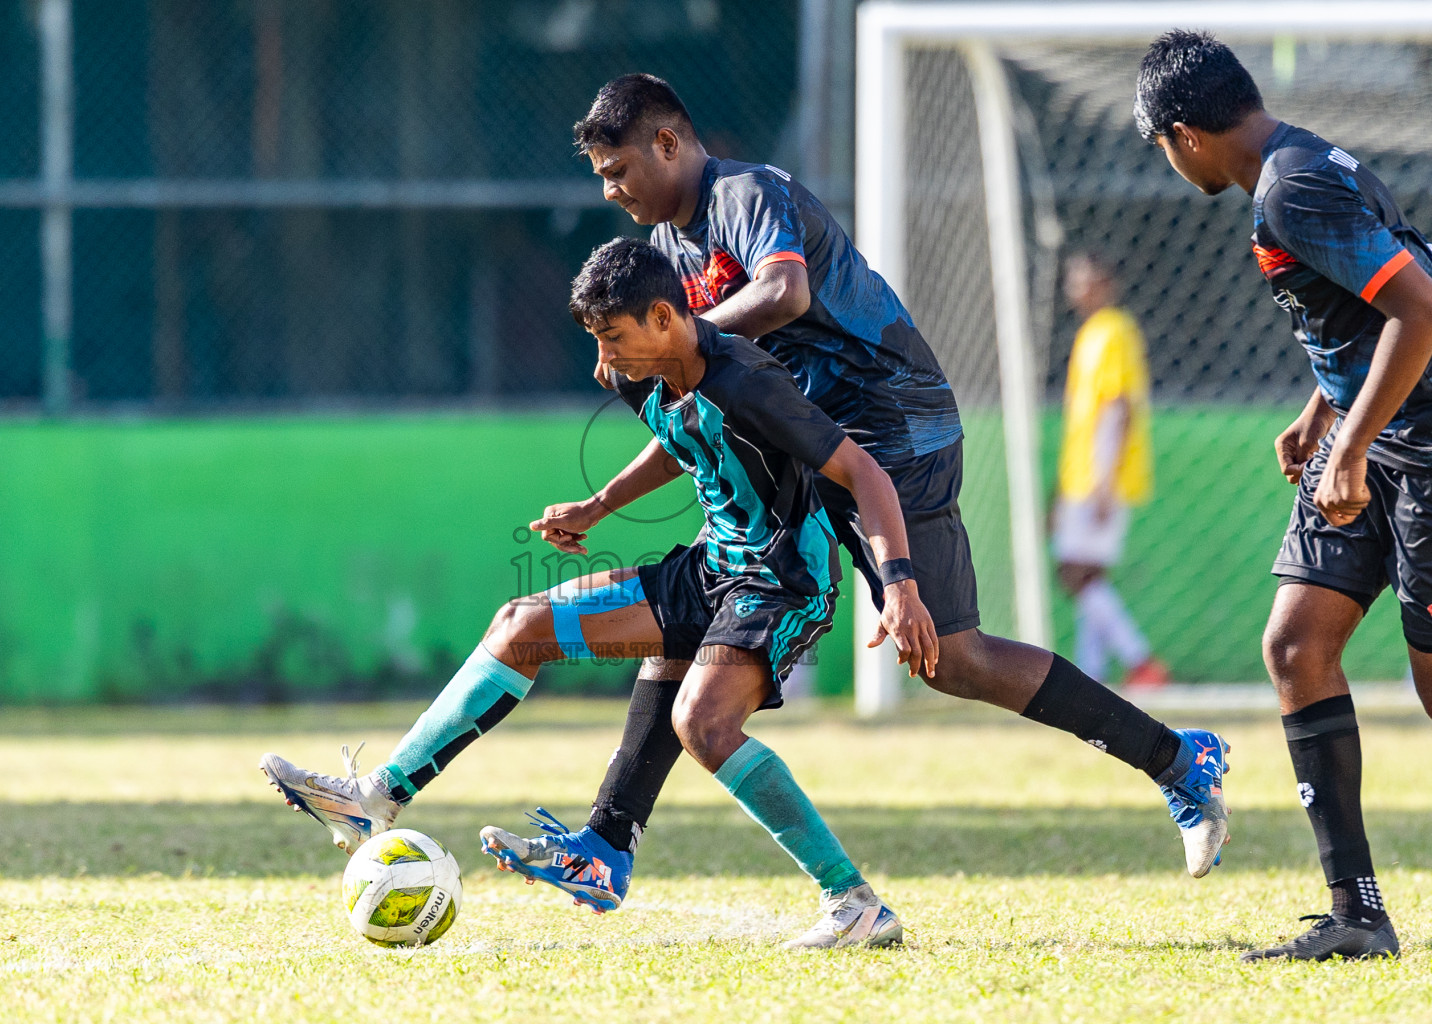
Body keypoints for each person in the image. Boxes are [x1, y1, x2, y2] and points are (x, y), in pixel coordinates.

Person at [480, 74, 1231, 918]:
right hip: (816, 439)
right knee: (709, 597)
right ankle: (608, 844)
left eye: (617, 170)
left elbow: (786, 294)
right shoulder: (674, 251)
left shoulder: (745, 193)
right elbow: (707, 403)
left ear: (667, 143)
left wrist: (685, 349)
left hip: (890, 427)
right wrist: (606, 497)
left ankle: (1178, 759)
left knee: (954, 658)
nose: (610, 191)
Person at [262, 236, 934, 948]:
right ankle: (380, 800)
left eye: (613, 340)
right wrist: (597, 506)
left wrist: (899, 587)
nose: (601, 364)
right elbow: (683, 440)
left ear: (665, 319)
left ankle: (855, 904)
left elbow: (864, 474)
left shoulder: (747, 379)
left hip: (783, 581)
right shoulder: (640, 374)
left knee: (702, 723)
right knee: (521, 624)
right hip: (710, 567)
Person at [1135, 29, 1432, 962]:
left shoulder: (1291, 186)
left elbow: (1420, 310)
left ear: (1183, 134)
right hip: (1368, 439)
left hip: (1416, 450)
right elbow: (1366, 303)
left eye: (1161, 150)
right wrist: (1324, 414)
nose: (1170, 164)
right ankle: (1358, 914)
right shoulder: (1300, 165)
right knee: (1296, 646)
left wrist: (1355, 443)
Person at [1054, 252, 1168, 689]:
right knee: (1090, 577)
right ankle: (1093, 675)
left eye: (1085, 277)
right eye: (1073, 278)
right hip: (1081, 474)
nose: (1076, 286)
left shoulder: (1116, 330)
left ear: (1106, 283)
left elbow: (1119, 406)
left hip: (1101, 477)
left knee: (1073, 571)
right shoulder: (1090, 333)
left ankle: (1141, 661)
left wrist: (1104, 480)